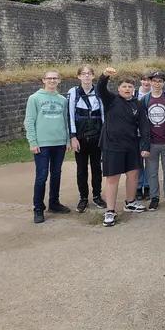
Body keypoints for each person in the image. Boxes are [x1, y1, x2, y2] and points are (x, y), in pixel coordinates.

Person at [97, 67, 150, 227]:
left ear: (133, 89)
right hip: (112, 145)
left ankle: (130, 202)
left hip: (132, 145)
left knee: (133, 174)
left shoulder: (138, 104)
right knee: (112, 178)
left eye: (130, 86)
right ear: (119, 88)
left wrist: (145, 145)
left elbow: (144, 126)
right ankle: (110, 210)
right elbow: (101, 88)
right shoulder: (111, 100)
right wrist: (105, 75)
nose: (127, 89)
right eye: (124, 86)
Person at [25, 69, 72, 224]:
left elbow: (65, 121)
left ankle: (54, 203)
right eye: (49, 78)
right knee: (41, 176)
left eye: (55, 78)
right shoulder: (34, 98)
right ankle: (38, 208)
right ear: (43, 80)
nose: (52, 81)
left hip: (59, 142)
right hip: (42, 144)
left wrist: (67, 140)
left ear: (59, 80)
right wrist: (33, 141)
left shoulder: (62, 100)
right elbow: (29, 121)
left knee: (56, 174)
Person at [68, 65, 106, 213]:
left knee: (97, 168)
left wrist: (104, 136)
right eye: (83, 74)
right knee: (81, 169)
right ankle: (83, 197)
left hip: (96, 136)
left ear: (93, 76)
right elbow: (70, 115)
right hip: (81, 137)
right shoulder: (73, 92)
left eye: (89, 73)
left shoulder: (98, 92)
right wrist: (73, 137)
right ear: (79, 76)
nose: (86, 76)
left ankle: (97, 195)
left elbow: (103, 115)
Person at [142, 71, 165, 211]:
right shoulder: (145, 99)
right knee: (152, 172)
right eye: (154, 81)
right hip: (152, 142)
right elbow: (142, 122)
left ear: (164, 83)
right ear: (150, 82)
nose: (157, 84)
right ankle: (154, 197)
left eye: (160, 81)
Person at [135, 71, 152, 200]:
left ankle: (147, 186)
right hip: (136, 132)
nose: (146, 82)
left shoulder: (154, 94)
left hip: (150, 132)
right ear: (140, 81)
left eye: (148, 80)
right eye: (144, 79)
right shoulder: (134, 94)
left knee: (149, 161)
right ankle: (138, 185)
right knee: (138, 161)